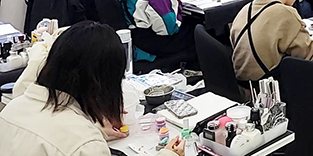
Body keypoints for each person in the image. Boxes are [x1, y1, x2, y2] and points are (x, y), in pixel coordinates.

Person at [0, 22, 184, 156]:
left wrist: (94, 128)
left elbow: (53, 132)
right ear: (104, 83)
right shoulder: (85, 144)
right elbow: (72, 141)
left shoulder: (11, 110)